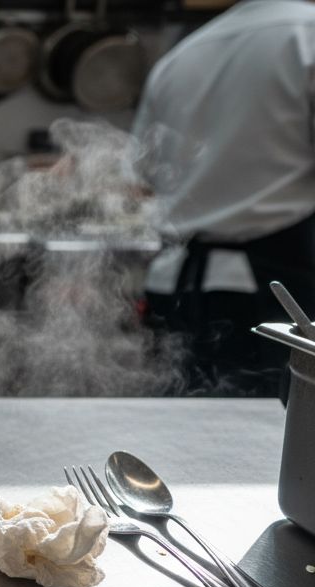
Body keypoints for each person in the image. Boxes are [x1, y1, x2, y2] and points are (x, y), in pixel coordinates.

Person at [133, 0, 315, 396]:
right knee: (281, 443)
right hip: (279, 296)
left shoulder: (182, 55)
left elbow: (145, 176)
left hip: (179, 292)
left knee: (187, 438)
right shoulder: (307, 34)